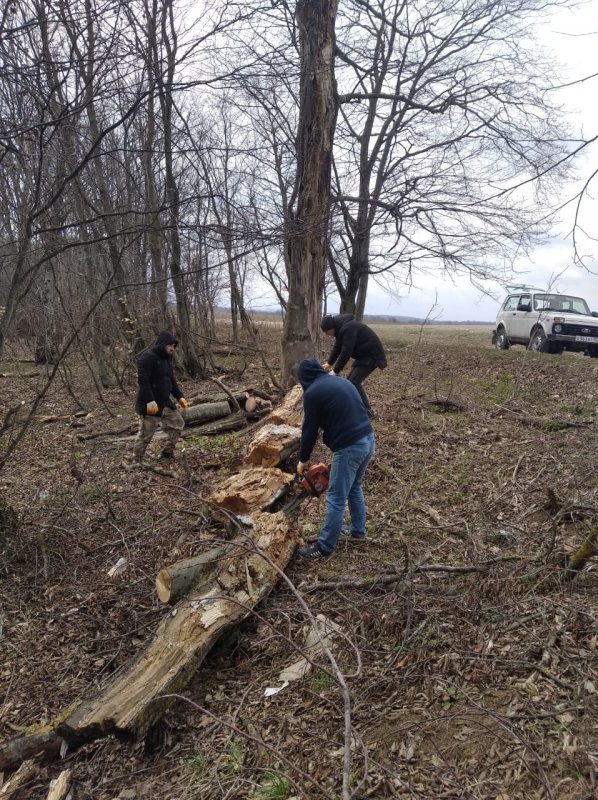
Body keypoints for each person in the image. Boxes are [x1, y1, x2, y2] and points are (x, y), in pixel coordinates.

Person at [295, 358, 376, 559]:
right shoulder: (342, 381)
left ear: (304, 378)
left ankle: (324, 546)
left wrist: (303, 460)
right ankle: (358, 530)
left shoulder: (313, 393)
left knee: (336, 496)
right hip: (368, 438)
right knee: (355, 487)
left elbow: (309, 431)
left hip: (350, 447)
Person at [131, 330, 188, 464]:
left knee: (178, 424)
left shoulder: (167, 359)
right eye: (170, 345)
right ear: (163, 344)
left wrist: (180, 397)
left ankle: (167, 453)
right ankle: (137, 461)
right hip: (149, 404)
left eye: (174, 346)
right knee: (146, 435)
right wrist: (150, 401)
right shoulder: (148, 357)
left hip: (165, 403)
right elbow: (143, 381)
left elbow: (171, 380)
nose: (172, 348)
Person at [320, 313, 387, 417]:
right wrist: (329, 363)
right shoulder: (340, 329)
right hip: (364, 355)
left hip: (372, 356)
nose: (327, 335)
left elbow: (346, 351)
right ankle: (355, 407)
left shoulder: (348, 328)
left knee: (354, 382)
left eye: (327, 332)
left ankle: (367, 411)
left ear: (331, 328)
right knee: (349, 382)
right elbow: (337, 347)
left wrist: (335, 370)